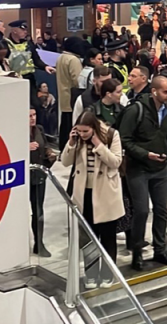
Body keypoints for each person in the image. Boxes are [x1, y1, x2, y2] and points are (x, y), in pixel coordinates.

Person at [118, 76, 167, 270]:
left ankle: (160, 249)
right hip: (138, 168)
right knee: (141, 211)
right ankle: (137, 252)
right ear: (154, 91)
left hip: (160, 169)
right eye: (166, 92)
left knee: (161, 210)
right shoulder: (135, 110)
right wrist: (146, 154)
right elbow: (124, 140)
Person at [61, 110, 124, 288]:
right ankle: (90, 274)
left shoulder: (112, 135)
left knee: (108, 237)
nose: (82, 135)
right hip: (84, 195)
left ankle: (108, 273)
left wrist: (98, 144)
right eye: (79, 131)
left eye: (85, 132)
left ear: (94, 129)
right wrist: (72, 142)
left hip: (106, 195)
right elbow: (65, 162)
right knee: (88, 238)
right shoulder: (78, 140)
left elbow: (115, 162)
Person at [28, 106, 56, 257]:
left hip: (39, 175)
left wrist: (49, 153)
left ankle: (39, 243)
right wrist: (25, 147)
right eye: (29, 116)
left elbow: (45, 146)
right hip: (23, 179)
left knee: (38, 211)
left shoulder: (39, 129)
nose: (32, 118)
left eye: (34, 114)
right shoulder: (15, 132)